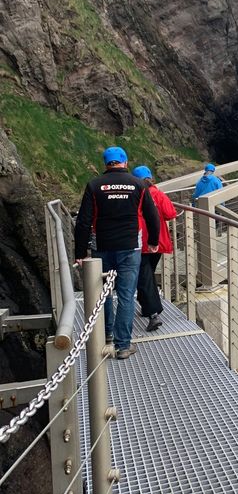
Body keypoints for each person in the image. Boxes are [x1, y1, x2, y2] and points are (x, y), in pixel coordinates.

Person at [74, 146, 160, 360]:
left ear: (105, 162)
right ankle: (123, 346)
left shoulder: (94, 185)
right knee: (126, 295)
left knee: (103, 295)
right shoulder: (138, 184)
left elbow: (83, 221)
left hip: (101, 246)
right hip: (130, 246)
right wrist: (153, 242)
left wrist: (80, 252)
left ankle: (106, 336)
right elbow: (152, 216)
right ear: (125, 161)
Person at [132, 165, 177, 331]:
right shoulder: (158, 194)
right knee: (147, 274)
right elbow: (171, 214)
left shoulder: (135, 194)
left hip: (140, 241)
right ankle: (148, 309)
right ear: (150, 177)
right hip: (157, 241)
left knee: (144, 276)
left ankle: (152, 312)